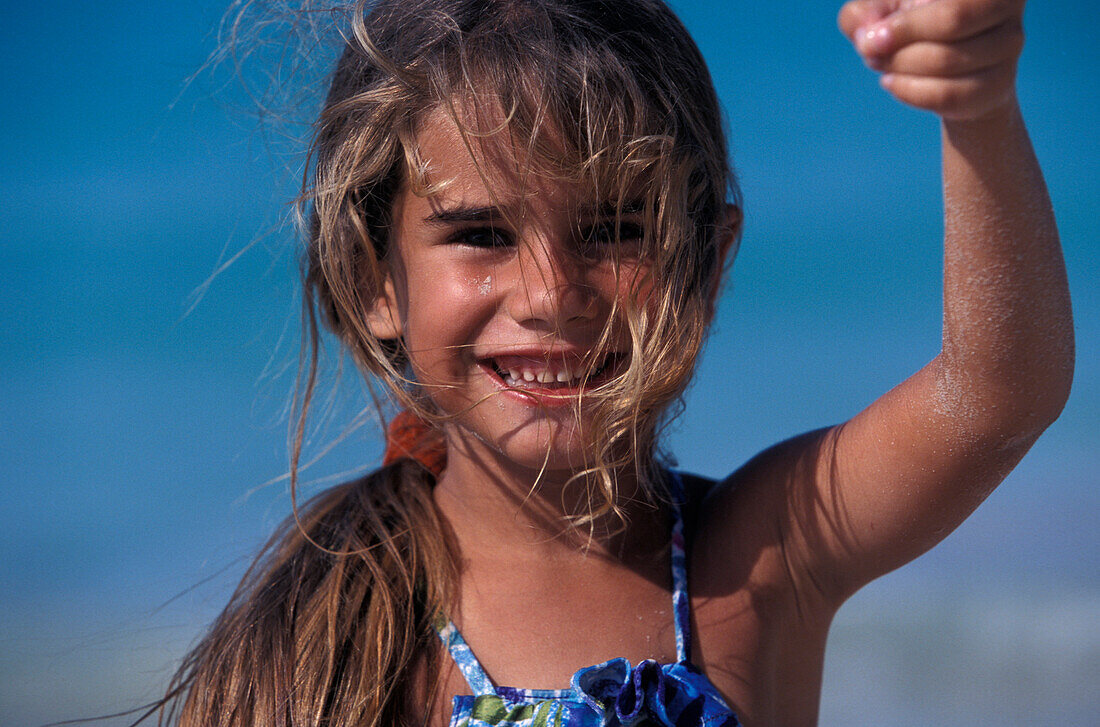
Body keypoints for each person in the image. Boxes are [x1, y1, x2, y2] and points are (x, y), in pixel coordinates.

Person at [154, 0, 1074, 725]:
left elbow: (998, 391)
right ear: (374, 280)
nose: (552, 293)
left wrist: (978, 107)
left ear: (706, 262)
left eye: (614, 229)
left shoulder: (761, 556)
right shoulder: (335, 630)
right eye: (480, 233)